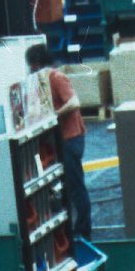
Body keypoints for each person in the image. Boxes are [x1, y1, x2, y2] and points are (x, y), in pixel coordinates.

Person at [27, 42, 90, 240]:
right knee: (70, 186)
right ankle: (75, 228)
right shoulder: (44, 80)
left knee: (75, 186)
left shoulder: (56, 77)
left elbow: (74, 102)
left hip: (72, 138)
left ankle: (83, 232)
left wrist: (55, 115)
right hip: (65, 138)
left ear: (36, 64)